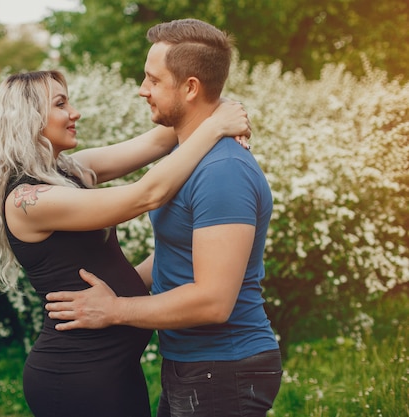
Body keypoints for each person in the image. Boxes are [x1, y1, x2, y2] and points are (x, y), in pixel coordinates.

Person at [0, 69, 250, 417]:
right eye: (61, 104)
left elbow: (158, 142)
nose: (74, 113)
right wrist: (216, 125)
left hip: (112, 370)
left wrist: (216, 104)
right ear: (28, 119)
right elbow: (147, 195)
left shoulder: (72, 172)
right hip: (75, 377)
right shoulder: (28, 201)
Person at [45, 18, 283, 417]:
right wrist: (115, 287)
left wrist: (114, 309)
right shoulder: (186, 156)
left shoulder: (223, 171)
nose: (143, 90)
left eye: (153, 80)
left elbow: (212, 302)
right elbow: (183, 253)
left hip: (224, 368)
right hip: (194, 364)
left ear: (190, 88)